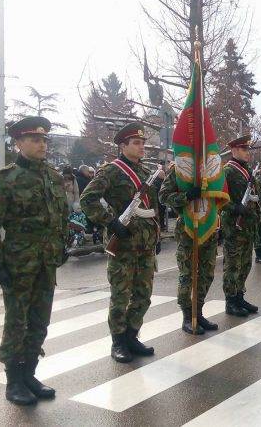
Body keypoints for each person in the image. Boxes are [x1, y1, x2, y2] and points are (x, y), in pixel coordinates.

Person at [0, 116, 69, 405]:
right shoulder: (4, 179)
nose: (42, 144)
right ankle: (13, 381)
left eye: (44, 139)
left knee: (40, 321)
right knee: (17, 323)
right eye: (35, 139)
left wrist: (62, 245)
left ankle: (29, 373)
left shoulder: (53, 176)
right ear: (18, 143)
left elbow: (61, 216)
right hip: (19, 264)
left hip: (46, 262)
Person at [80, 122, 161, 363]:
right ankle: (118, 342)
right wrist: (110, 221)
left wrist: (155, 234)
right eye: (136, 143)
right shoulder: (111, 171)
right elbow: (88, 199)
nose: (141, 147)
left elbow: (152, 208)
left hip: (145, 244)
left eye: (143, 143)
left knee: (143, 294)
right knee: (121, 296)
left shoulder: (147, 172)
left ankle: (132, 336)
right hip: (123, 244)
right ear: (122, 146)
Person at [159, 155, 224, 335]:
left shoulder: (212, 169)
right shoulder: (179, 169)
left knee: (207, 273)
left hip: (208, 227)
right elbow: (163, 196)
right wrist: (186, 196)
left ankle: (199, 311)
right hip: (188, 228)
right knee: (188, 274)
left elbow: (222, 194)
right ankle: (188, 316)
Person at [220, 133, 261, 316]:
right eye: (244, 149)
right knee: (233, 266)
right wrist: (235, 208)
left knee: (245, 264)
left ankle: (239, 296)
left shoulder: (247, 171)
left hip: (247, 226)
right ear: (234, 150)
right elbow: (220, 198)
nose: (247, 153)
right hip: (233, 227)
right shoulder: (227, 171)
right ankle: (230, 302)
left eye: (248, 149)